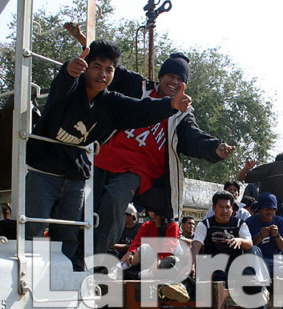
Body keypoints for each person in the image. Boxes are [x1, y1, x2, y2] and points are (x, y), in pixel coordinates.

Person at [64, 24, 235, 258]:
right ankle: (69, 254)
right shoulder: (138, 86)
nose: (174, 82)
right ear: (161, 77)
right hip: (105, 155)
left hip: (139, 169)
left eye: (179, 79)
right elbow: (108, 66)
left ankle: (91, 256)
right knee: (83, 203)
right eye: (170, 76)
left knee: (114, 200)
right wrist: (85, 42)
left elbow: (193, 137)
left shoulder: (182, 112)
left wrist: (215, 147)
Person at [25, 39, 191, 270]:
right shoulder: (70, 89)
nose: (103, 74)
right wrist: (68, 71)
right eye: (96, 67)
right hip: (45, 170)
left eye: (108, 70)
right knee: (33, 226)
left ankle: (73, 271)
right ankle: (28, 273)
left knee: (71, 229)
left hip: (77, 173)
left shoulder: (111, 102)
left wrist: (171, 105)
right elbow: (61, 85)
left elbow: (139, 110)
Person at [188, 191, 272, 309]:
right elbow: (196, 245)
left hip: (235, 269)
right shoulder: (204, 224)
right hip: (214, 270)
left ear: (233, 209)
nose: (224, 210)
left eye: (228, 207)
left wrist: (240, 240)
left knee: (253, 282)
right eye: (220, 207)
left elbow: (250, 243)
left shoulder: (240, 224)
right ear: (214, 208)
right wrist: (191, 264)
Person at [120, 209, 189, 301]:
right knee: (144, 247)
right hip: (153, 266)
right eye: (151, 211)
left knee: (170, 261)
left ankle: (170, 286)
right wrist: (130, 252)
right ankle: (116, 270)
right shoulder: (147, 225)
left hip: (171, 265)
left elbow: (169, 246)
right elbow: (137, 241)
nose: (154, 214)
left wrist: (160, 259)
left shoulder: (172, 225)